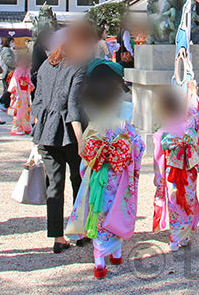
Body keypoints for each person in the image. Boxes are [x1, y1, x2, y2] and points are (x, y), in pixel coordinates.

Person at [65, 59, 144, 278]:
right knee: (117, 211)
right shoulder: (124, 126)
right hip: (118, 179)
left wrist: (90, 169)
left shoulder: (92, 127)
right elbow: (138, 148)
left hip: (98, 178)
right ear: (114, 100)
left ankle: (100, 262)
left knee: (98, 214)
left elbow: (85, 161)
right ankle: (116, 253)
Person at [33, 21, 95, 253]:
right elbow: (73, 107)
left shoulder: (46, 65)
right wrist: (81, 140)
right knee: (79, 182)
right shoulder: (79, 66)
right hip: (70, 133)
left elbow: (37, 103)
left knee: (54, 186)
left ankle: (58, 237)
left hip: (46, 132)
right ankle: (79, 232)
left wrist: (37, 133)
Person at [152, 88, 199, 252]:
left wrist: (157, 176)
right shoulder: (189, 126)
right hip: (189, 171)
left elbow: (158, 157)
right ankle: (185, 236)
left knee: (174, 203)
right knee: (188, 200)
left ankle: (174, 239)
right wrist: (193, 93)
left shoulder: (162, 133)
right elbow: (195, 113)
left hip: (171, 172)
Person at [6, 52, 33, 136]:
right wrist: (13, 92)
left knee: (26, 110)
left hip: (25, 93)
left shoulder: (27, 70)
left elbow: (28, 81)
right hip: (19, 92)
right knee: (19, 110)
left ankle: (26, 127)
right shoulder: (18, 70)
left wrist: (30, 85)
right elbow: (14, 81)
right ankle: (16, 128)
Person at [0, 37, 16, 109]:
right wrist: (15, 64)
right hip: (8, 72)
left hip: (8, 72)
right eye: (12, 42)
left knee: (8, 88)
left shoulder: (7, 50)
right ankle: (3, 102)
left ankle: (6, 104)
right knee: (8, 88)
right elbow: (8, 61)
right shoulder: (7, 51)